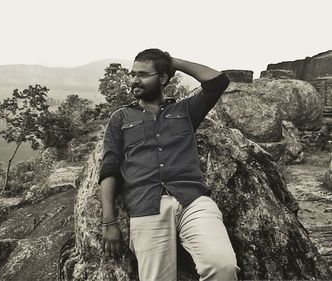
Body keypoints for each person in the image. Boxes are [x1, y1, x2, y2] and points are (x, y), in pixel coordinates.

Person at [99, 48, 240, 281]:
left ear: (163, 78)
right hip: (146, 205)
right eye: (132, 74)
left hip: (193, 200)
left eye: (143, 74)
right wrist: (109, 221)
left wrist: (171, 61)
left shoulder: (185, 110)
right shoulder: (121, 118)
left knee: (222, 266)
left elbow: (218, 81)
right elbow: (109, 168)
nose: (135, 80)